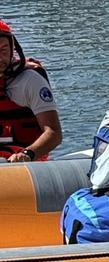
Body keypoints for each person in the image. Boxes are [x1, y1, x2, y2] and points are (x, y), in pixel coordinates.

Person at [0, 20, 62, 162]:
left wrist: (28, 154)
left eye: (3, 50)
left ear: (12, 50)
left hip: (27, 162)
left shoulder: (30, 80)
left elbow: (54, 133)